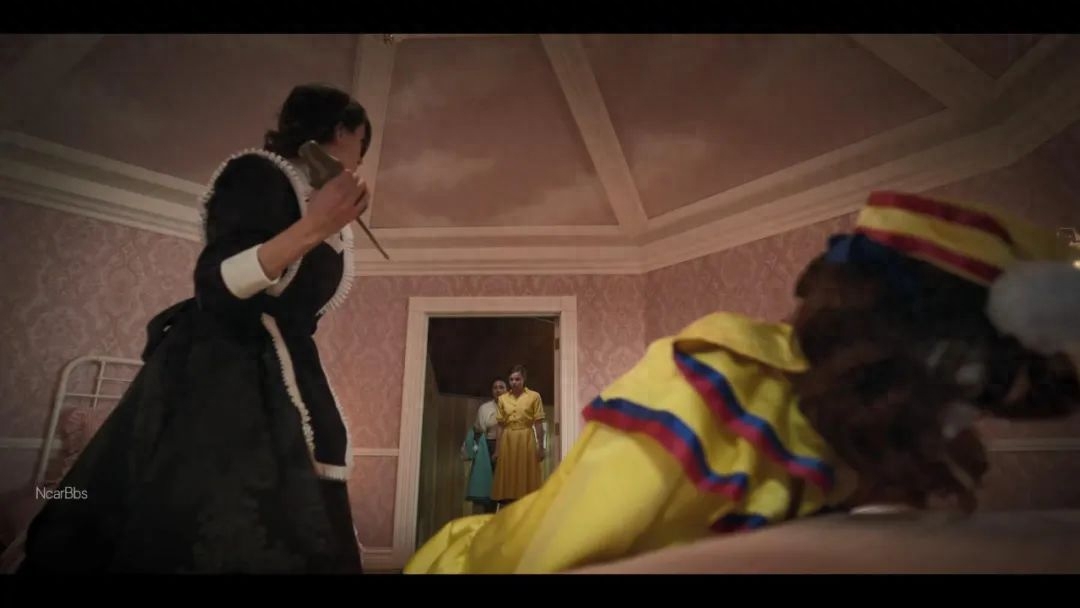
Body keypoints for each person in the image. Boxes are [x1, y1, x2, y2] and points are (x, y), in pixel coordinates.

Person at [403, 190, 1080, 574]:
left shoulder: (870, 435)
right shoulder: (717, 378)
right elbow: (551, 545)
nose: (967, 405)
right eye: (964, 364)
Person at [12, 83, 373, 574]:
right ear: (342, 131)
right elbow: (215, 284)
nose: (360, 158)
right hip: (219, 374)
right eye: (361, 143)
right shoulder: (258, 175)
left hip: (285, 373)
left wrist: (325, 222)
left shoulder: (323, 209)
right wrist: (314, 226)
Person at [490, 366, 545, 506]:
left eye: (517, 379)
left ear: (524, 379)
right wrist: (497, 450)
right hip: (508, 439)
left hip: (526, 437)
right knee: (508, 473)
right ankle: (508, 507)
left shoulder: (534, 396)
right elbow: (500, 426)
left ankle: (527, 507)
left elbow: (538, 423)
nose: (514, 382)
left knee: (526, 473)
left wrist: (541, 447)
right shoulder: (502, 399)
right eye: (511, 379)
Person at [461, 379, 508, 514]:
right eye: (495, 387)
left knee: (506, 489)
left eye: (501, 387)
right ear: (492, 391)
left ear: (507, 390)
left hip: (508, 447)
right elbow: (478, 429)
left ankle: (506, 521)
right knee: (488, 488)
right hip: (488, 447)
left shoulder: (513, 407)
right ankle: (488, 518)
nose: (498, 390)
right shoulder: (484, 408)